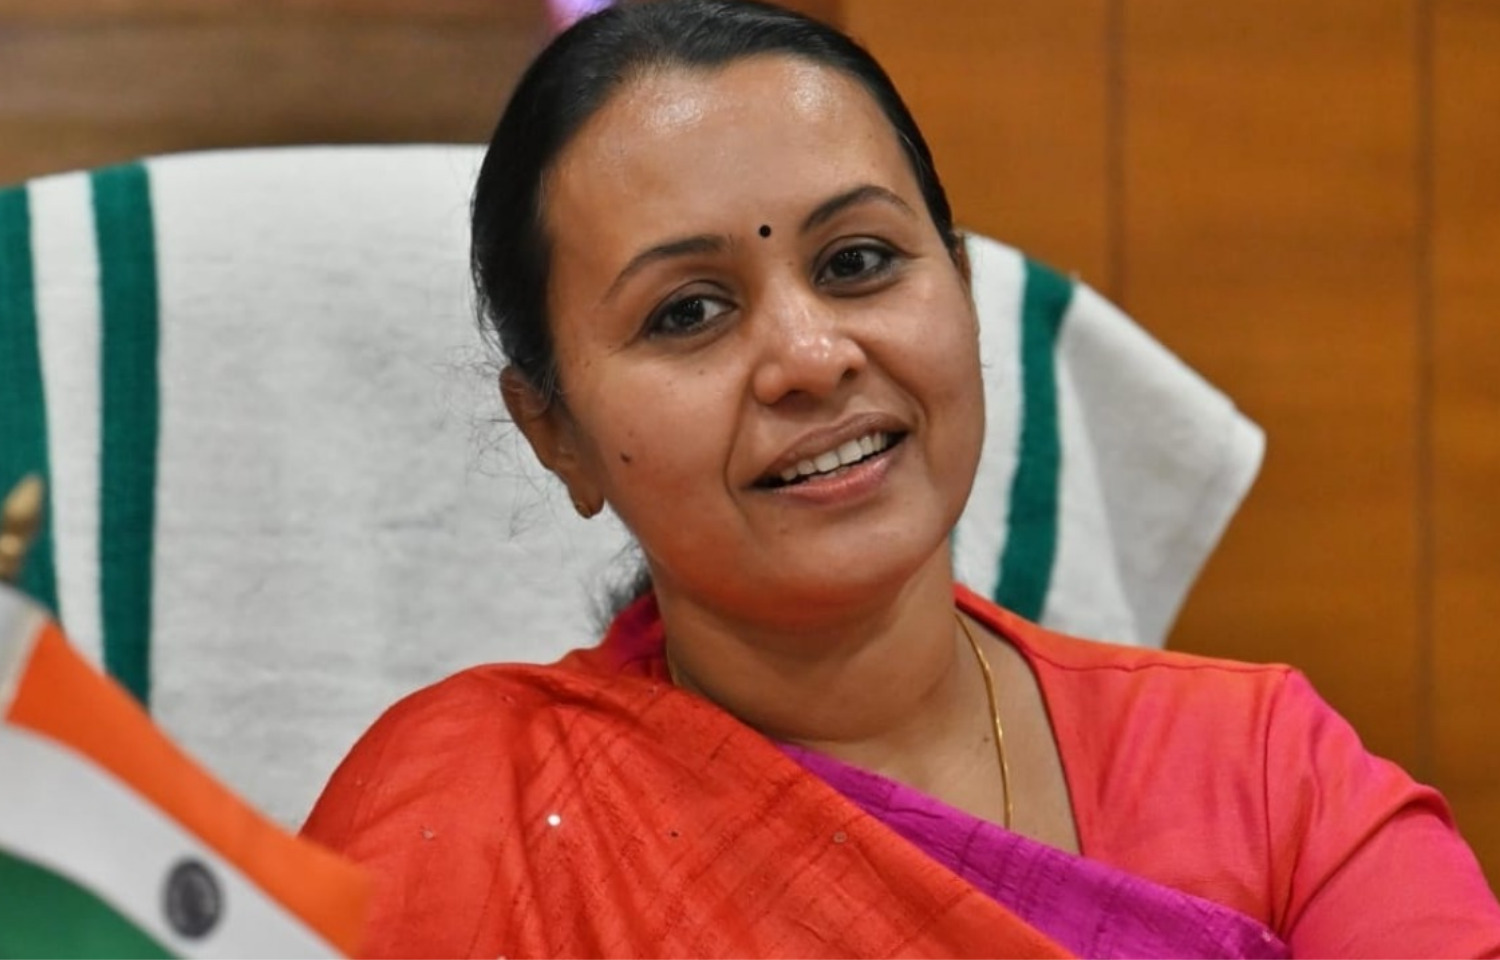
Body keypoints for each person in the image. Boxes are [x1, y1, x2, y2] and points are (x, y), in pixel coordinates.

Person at [300, 1, 1500, 956]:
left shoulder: (1270, 778)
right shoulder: (466, 814)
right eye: (689, 312)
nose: (812, 357)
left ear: (961, 290)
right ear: (554, 430)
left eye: (859, 261)